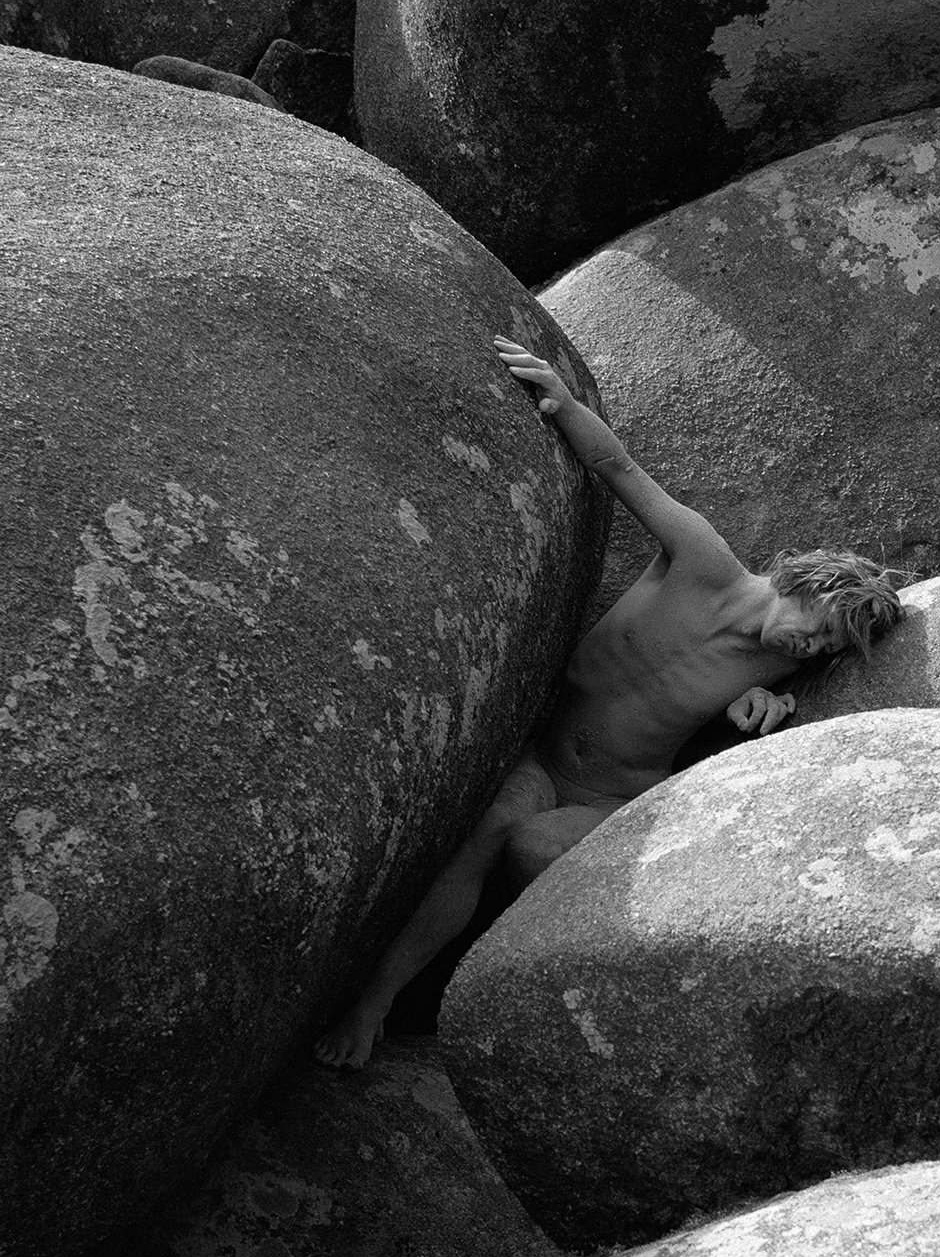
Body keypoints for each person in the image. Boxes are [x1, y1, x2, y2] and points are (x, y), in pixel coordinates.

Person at [314, 335, 904, 1070]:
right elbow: (621, 469)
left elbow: (754, 738)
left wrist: (763, 709)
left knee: (533, 847)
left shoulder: (777, 671)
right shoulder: (702, 559)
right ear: (804, 584)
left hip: (613, 797)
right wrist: (561, 402)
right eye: (817, 630)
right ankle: (375, 1003)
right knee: (488, 830)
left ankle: (490, 1001)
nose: (809, 649)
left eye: (823, 651)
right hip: (542, 753)